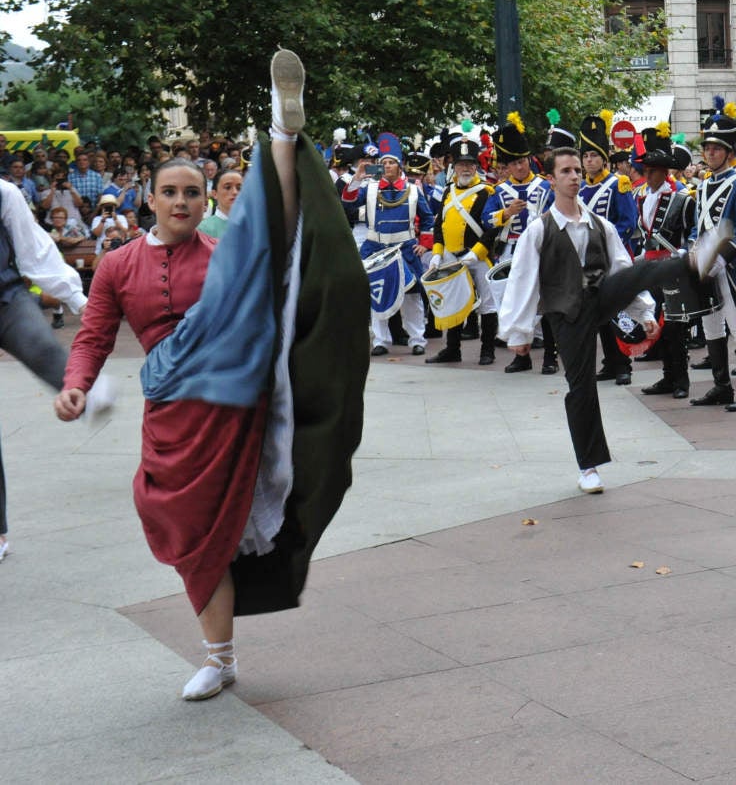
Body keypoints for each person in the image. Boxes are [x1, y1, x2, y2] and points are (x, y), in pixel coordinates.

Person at [55, 50, 368, 699]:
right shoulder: (116, 267)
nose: (180, 201)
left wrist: (284, 143)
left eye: (192, 192)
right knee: (175, 525)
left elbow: (278, 237)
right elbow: (93, 335)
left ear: (206, 201)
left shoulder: (226, 256)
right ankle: (219, 656)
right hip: (169, 418)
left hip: (233, 413)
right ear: (150, 198)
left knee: (210, 541)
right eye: (169, 191)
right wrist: (76, 382)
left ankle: (218, 658)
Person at [498, 146, 725, 494]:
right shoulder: (539, 230)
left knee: (641, 269)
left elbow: (621, 267)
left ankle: (693, 260)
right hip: (566, 314)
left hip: (599, 297)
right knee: (582, 387)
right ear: (551, 179)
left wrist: (644, 312)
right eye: (566, 171)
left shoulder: (599, 224)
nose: (574, 176)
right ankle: (588, 466)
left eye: (577, 170)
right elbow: (522, 280)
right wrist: (519, 332)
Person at [0, 174, 91, 561]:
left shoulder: (3, 193)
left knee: (40, 345)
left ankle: (85, 391)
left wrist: (80, 301)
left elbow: (36, 252)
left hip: (6, 298)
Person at [688, 97, 736, 412]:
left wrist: (718, 260)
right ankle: (722, 387)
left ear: (730, 152)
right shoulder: (704, 186)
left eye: (717, 148)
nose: (710, 152)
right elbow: (698, 228)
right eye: (707, 148)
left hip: (730, 269)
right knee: (711, 327)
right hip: (706, 269)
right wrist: (693, 251)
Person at [341, 135, 434, 357]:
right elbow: (348, 201)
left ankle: (417, 339)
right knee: (377, 293)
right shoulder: (370, 188)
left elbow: (428, 218)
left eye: (391, 162)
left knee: (412, 295)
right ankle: (381, 340)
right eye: (383, 163)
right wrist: (357, 178)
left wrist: (425, 244)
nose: (387, 166)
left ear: (399, 165)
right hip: (376, 248)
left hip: (405, 248)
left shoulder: (413, 190)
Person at [482, 112, 555, 374]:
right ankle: (521, 356)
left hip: (541, 250)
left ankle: (550, 356)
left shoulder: (546, 187)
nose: (520, 167)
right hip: (511, 250)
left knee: (545, 303)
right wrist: (506, 213)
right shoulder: (499, 191)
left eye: (523, 161)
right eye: (514, 163)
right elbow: (487, 221)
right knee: (515, 303)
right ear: (507, 167)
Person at [423, 133, 499, 365]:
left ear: (476, 166)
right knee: (452, 300)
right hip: (449, 255)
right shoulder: (448, 192)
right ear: (453, 167)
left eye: (470, 164)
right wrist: (437, 253)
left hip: (477, 255)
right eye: (461, 164)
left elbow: (492, 229)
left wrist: (474, 254)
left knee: (487, 304)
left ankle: (487, 350)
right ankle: (452, 349)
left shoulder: (487, 192)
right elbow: (439, 226)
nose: (465, 168)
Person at [577, 113, 639, 385]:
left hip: (613, 258)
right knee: (598, 314)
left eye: (594, 155)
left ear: (604, 158)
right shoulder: (579, 190)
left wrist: (604, 244)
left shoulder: (618, 184)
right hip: (588, 263)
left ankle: (623, 363)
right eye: (585, 156)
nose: (589, 160)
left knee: (617, 312)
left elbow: (628, 222)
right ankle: (610, 362)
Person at [636, 126, 696, 399]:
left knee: (675, 326)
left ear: (665, 171)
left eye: (653, 170)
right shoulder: (640, 198)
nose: (647, 175)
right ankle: (667, 377)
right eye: (646, 169)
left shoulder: (682, 199)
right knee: (658, 323)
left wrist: (686, 253)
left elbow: (693, 233)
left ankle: (681, 380)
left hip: (672, 267)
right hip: (650, 268)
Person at [198, 168, 243, 238]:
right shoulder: (203, 229)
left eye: (239, 188)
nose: (235, 192)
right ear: (214, 194)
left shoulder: (255, 226)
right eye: (228, 187)